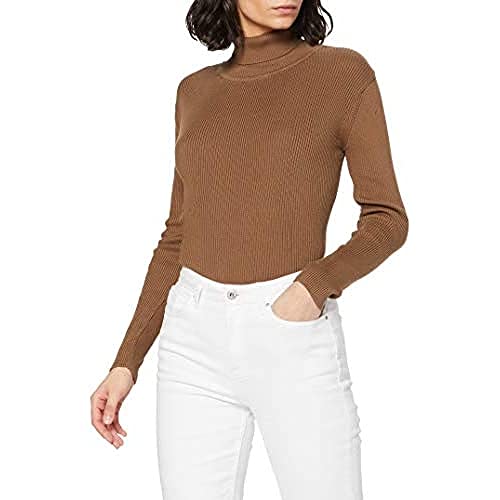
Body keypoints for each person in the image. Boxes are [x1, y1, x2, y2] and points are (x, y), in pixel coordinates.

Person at [90, 1, 409, 498]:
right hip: (191, 341)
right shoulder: (194, 92)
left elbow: (387, 219)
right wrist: (125, 361)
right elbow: (178, 235)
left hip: (291, 332)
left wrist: (313, 287)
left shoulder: (343, 75)